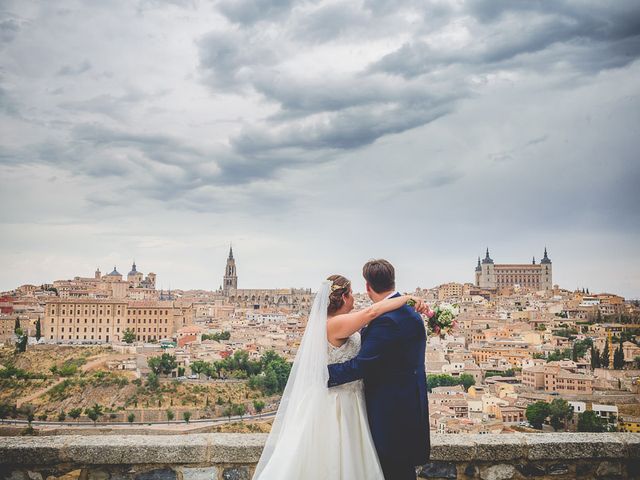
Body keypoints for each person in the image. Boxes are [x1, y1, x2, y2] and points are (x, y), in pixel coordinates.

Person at [252, 274, 429, 480]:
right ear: (344, 298)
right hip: (339, 403)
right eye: (352, 293)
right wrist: (407, 298)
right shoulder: (336, 324)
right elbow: (373, 311)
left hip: (343, 399)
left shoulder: (335, 323)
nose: (355, 298)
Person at [328, 259, 430, 480]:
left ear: (367, 286)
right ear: (392, 280)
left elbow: (362, 365)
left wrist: (322, 374)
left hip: (390, 417)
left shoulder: (387, 319)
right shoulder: (410, 312)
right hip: (407, 410)